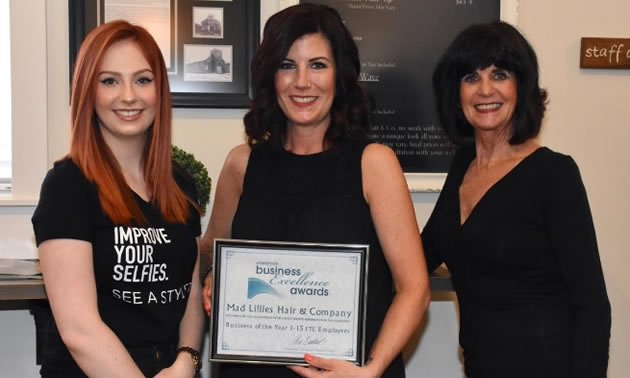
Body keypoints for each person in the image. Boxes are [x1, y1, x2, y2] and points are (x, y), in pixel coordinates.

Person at [200, 3, 430, 378]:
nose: (302, 82)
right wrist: (214, 276)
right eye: (287, 65)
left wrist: (370, 371)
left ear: (339, 75)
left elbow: (414, 289)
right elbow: (212, 250)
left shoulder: (373, 164)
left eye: (318, 65)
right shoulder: (241, 164)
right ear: (270, 75)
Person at [423, 21, 611, 378]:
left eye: (500, 74)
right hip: (481, 368)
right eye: (470, 77)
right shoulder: (463, 164)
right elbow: (423, 253)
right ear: (456, 92)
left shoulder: (554, 174)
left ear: (521, 86)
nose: (485, 90)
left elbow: (592, 306)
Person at [31, 20, 204, 377]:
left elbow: (187, 293)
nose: (128, 95)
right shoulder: (67, 186)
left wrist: (186, 360)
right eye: (109, 81)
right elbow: (80, 331)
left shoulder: (180, 183)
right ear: (87, 93)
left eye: (143, 79)